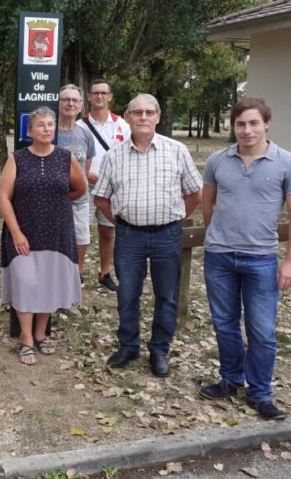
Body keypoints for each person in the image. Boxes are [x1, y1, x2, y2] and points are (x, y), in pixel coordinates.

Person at [199, 98, 291, 420]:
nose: (247, 130)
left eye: (253, 123)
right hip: (219, 258)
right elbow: (208, 206)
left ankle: (260, 392)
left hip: (261, 260)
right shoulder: (217, 160)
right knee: (225, 325)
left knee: (261, 331)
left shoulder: (288, 163)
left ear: (267, 124)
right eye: (240, 124)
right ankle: (230, 380)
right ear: (233, 127)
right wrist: (218, 238)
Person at [93, 93, 202, 377]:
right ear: (127, 118)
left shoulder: (176, 150)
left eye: (149, 112)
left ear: (158, 117)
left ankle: (159, 351)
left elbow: (194, 193)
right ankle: (128, 346)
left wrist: (176, 216)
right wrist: (120, 220)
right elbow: (101, 197)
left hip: (167, 235)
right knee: (127, 295)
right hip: (129, 237)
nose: (143, 117)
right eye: (137, 112)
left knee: (166, 296)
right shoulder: (114, 156)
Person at [0, 107, 88, 365]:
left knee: (48, 282)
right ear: (30, 130)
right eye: (41, 125)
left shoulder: (65, 157)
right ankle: (26, 339)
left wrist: (55, 204)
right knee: (25, 282)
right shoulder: (16, 158)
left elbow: (79, 188)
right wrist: (16, 232)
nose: (47, 129)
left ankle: (41, 334)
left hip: (56, 230)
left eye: (51, 124)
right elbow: (4, 197)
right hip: (23, 231)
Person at [78, 78, 131, 292]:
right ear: (89, 97)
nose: (99, 97)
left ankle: (104, 272)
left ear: (110, 97)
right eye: (95, 93)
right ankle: (77, 274)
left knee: (108, 231)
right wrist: (85, 175)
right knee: (81, 232)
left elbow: (128, 154)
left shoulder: (122, 125)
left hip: (111, 188)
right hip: (85, 186)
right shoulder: (79, 125)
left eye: (104, 93)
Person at [57, 84, 96, 287]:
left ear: (81, 106)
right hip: (54, 200)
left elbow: (85, 167)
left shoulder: (85, 134)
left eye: (74, 100)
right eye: (66, 99)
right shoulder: (50, 130)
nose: (70, 103)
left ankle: (76, 276)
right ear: (59, 103)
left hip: (79, 199)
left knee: (81, 238)